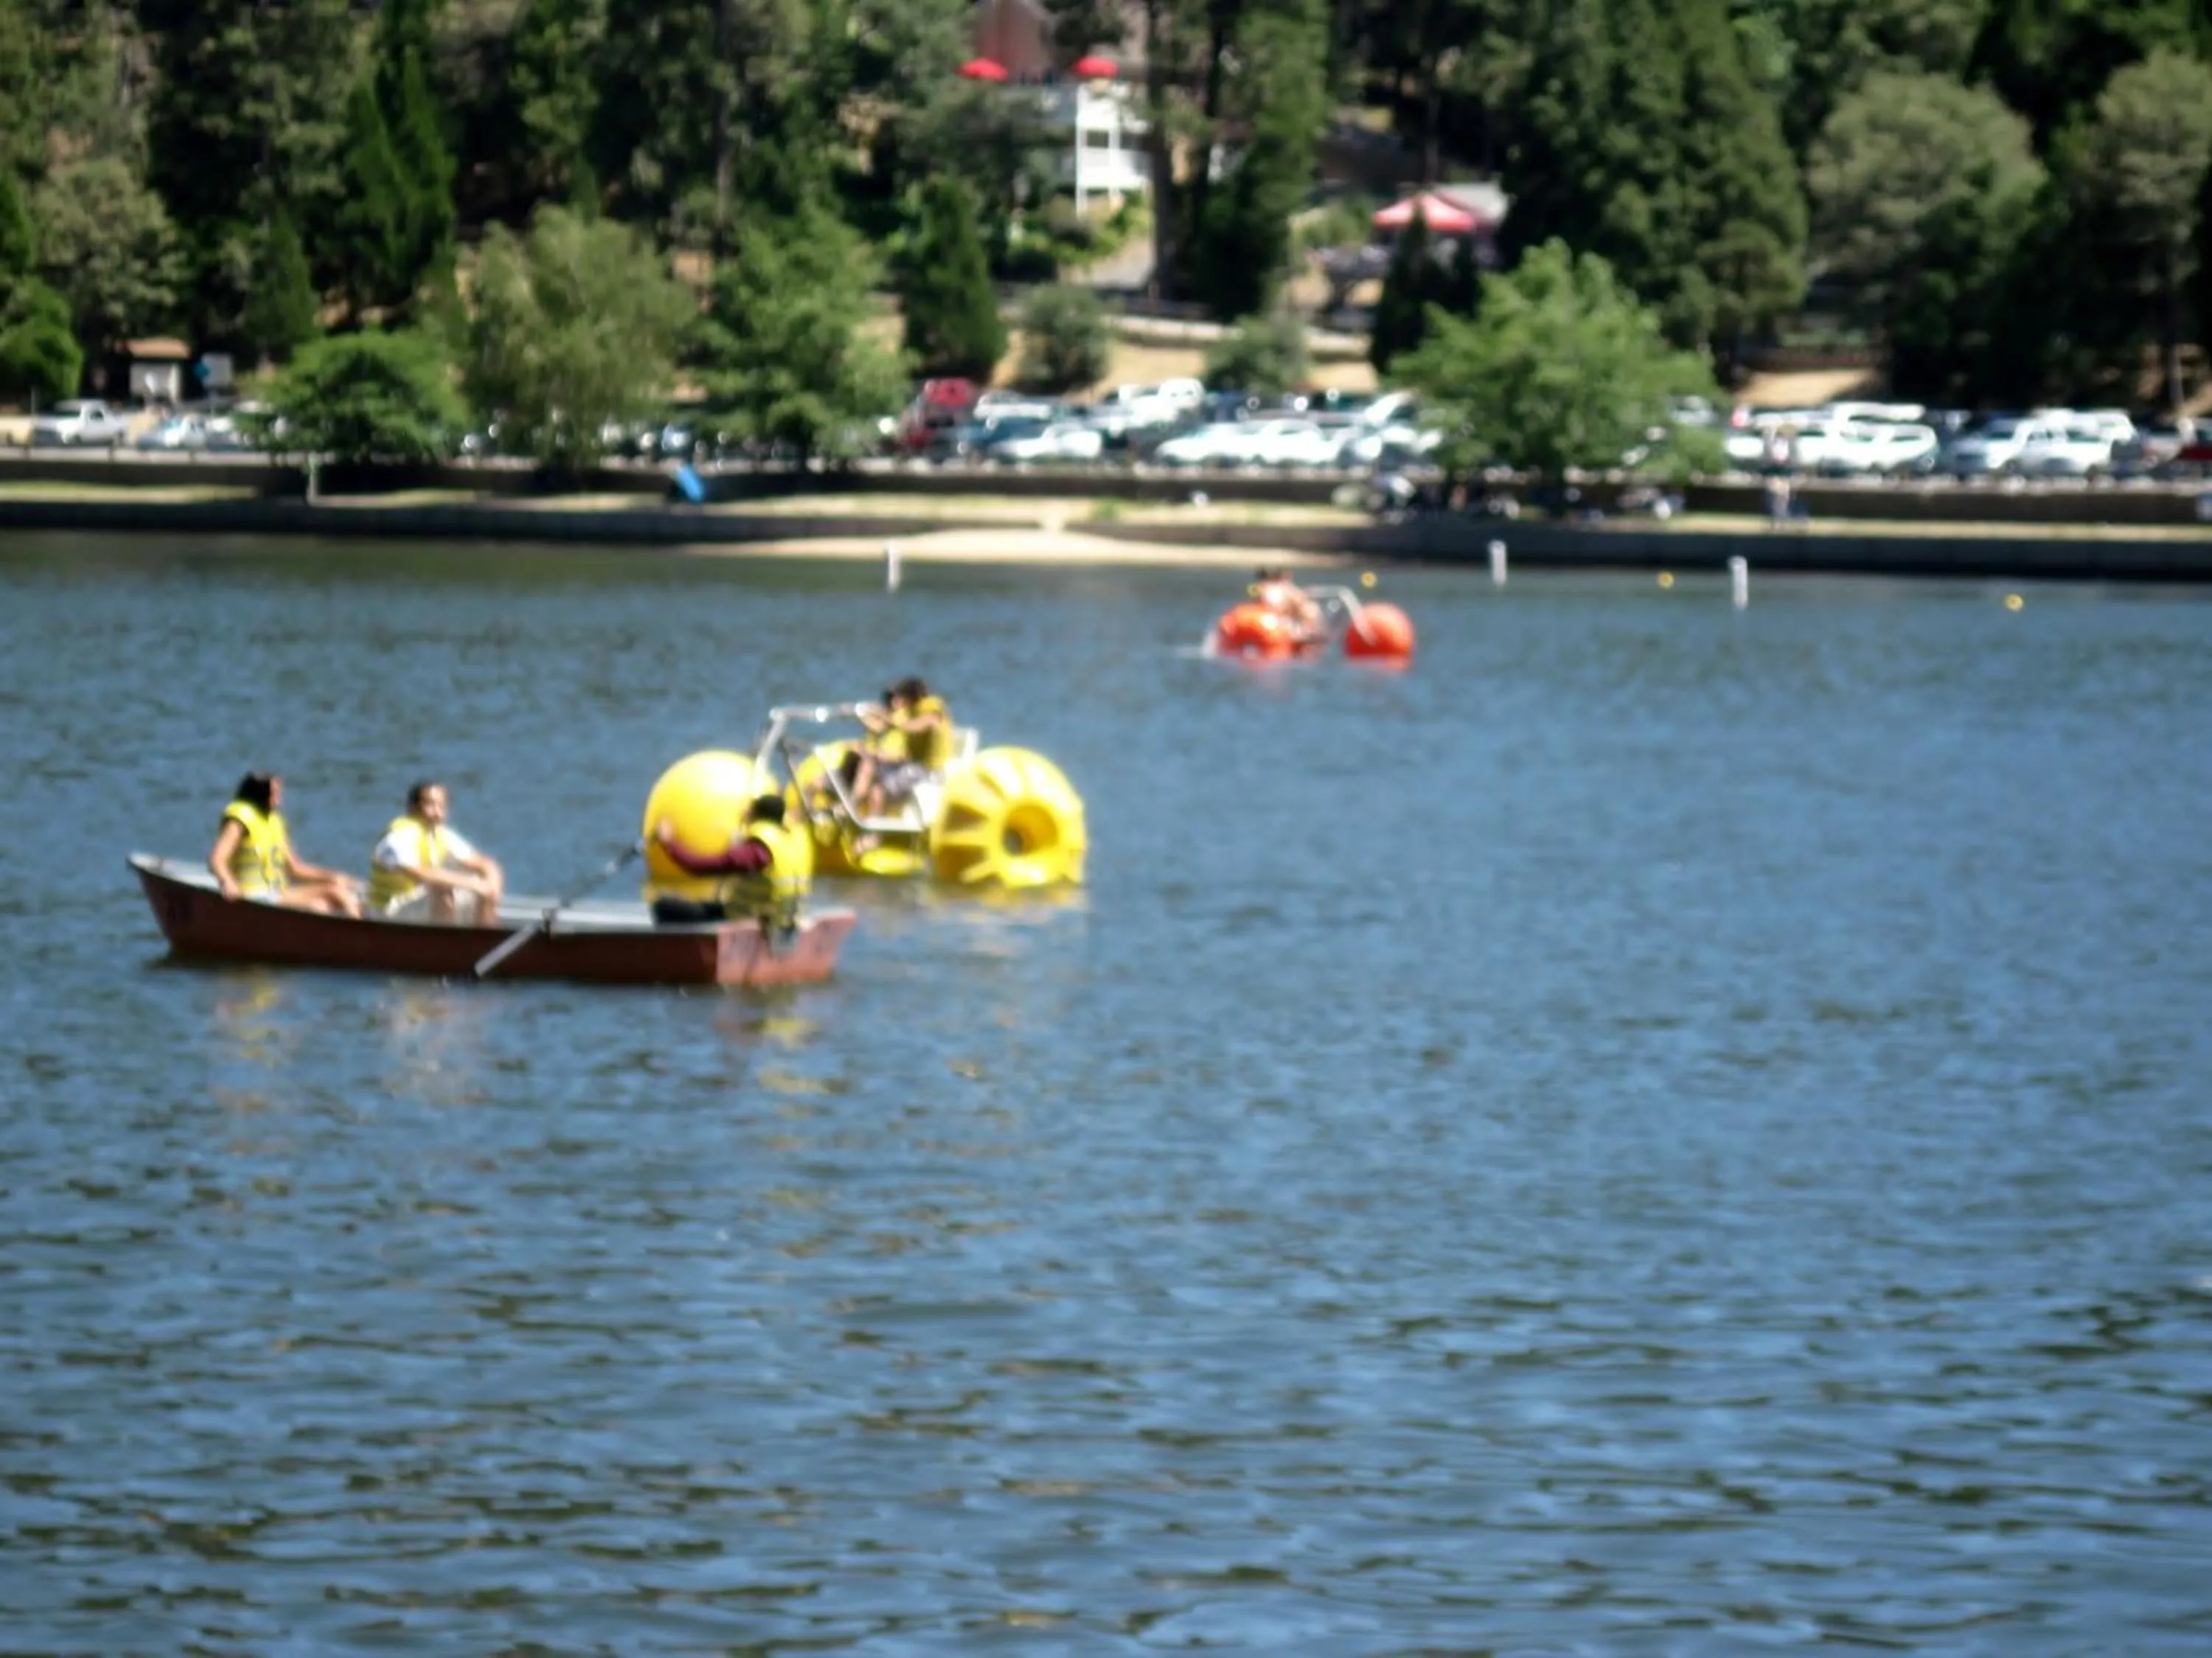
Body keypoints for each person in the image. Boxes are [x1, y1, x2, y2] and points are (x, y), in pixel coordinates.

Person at [650, 793, 813, 932]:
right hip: (783, 919)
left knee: (664, 905)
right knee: (709, 903)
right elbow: (797, 815)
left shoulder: (758, 850)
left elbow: (699, 867)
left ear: (757, 815)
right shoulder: (793, 839)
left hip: (750, 922)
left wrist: (669, 842)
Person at [209, 771, 364, 916]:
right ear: (260, 794)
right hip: (253, 896)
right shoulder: (239, 820)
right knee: (333, 894)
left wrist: (333, 877)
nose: (279, 799)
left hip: (277, 893)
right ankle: (361, 933)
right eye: (275, 793)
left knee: (324, 903)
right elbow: (217, 859)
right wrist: (227, 882)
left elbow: (295, 869)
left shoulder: (274, 821)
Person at [366, 780, 504, 923]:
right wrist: (471, 883)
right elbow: (419, 873)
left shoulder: (440, 833)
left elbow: (485, 864)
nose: (437, 812)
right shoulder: (400, 834)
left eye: (442, 806)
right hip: (388, 911)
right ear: (414, 807)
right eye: (431, 805)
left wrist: (491, 890)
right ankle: (444, 944)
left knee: (483, 893)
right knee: (443, 889)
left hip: (417, 904)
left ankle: (484, 940)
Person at [850, 676, 954, 833]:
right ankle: (853, 810)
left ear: (909, 698)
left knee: (879, 788)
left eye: (899, 697)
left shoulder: (933, 712)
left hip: (928, 770)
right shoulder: (913, 711)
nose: (896, 701)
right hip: (913, 765)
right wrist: (867, 714)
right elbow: (885, 724)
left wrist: (891, 721)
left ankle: (873, 833)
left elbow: (916, 726)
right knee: (869, 769)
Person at [1253, 566, 1324, 647]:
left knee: (1310, 609)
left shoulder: (1267, 589)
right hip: (1275, 624)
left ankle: (1309, 630)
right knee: (1311, 608)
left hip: (1278, 623)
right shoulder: (1274, 590)